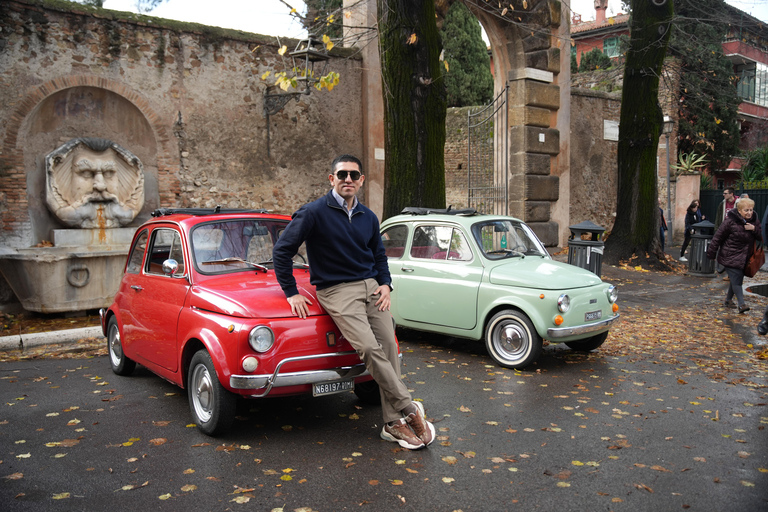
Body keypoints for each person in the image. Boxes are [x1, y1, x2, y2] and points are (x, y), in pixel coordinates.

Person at [272, 154, 435, 450]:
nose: (348, 179)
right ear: (331, 179)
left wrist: (386, 284)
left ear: (360, 181)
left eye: (354, 175)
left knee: (388, 346)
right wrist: (291, 291)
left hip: (372, 288)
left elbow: (378, 256)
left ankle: (391, 424)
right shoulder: (312, 213)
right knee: (369, 348)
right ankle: (409, 408)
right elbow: (282, 251)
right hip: (336, 291)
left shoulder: (369, 218)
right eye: (342, 174)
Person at [706, 197, 761, 314]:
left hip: (745, 256)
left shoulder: (754, 220)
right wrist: (711, 253)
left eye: (751, 210)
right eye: (746, 210)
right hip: (729, 254)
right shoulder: (730, 221)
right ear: (739, 211)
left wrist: (754, 229)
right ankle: (742, 304)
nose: (749, 213)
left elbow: (761, 235)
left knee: (737, 278)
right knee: (737, 280)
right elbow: (717, 237)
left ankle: (728, 300)